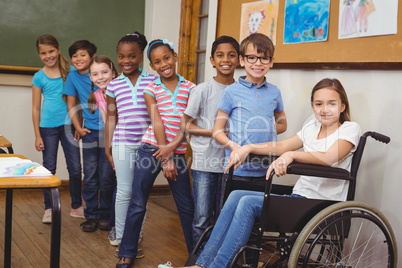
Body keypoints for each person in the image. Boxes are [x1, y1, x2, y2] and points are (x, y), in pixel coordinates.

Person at [158, 78, 362, 268]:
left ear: (342, 106)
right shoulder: (312, 127)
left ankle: (217, 266)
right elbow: (280, 145)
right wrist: (248, 148)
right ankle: (201, 264)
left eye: (331, 103)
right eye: (318, 104)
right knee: (237, 195)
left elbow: (329, 157)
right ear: (312, 106)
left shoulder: (350, 129)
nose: (324, 109)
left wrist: (292, 156)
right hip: (300, 199)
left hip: (322, 204)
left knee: (247, 203)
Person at [116, 39, 195, 268]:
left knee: (186, 206)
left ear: (176, 56)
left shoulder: (190, 88)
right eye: (157, 62)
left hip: (177, 152)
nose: (164, 65)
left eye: (167, 58)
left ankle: (196, 256)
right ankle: (127, 252)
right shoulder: (151, 89)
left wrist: (172, 151)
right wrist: (165, 156)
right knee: (137, 202)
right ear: (152, 66)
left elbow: (186, 124)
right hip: (150, 149)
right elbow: (157, 122)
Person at [212, 33, 287, 206]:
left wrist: (265, 130)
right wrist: (235, 147)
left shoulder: (274, 92)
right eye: (252, 58)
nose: (258, 63)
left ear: (271, 62)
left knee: (256, 220)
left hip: (265, 170)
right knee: (228, 216)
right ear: (242, 60)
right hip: (236, 169)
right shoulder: (231, 91)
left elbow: (282, 124)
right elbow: (217, 130)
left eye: (263, 58)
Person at [181, 35, 239, 247]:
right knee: (202, 219)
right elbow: (185, 124)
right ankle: (199, 259)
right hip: (205, 163)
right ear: (212, 60)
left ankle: (219, 259)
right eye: (220, 55)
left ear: (239, 59)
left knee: (225, 216)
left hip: (232, 164)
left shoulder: (241, 90)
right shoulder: (202, 90)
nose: (226, 59)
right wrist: (214, 132)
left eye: (232, 55)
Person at [105, 32, 157, 255]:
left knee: (140, 192)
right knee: (124, 190)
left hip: (147, 145)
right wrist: (108, 146)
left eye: (132, 56)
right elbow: (111, 117)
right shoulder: (114, 85)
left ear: (141, 57)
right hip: (122, 144)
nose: (126, 61)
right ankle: (120, 234)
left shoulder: (153, 81)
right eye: (121, 56)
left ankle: (134, 236)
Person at [63, 40, 116, 232]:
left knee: (107, 176)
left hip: (111, 134)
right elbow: (71, 104)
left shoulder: (105, 76)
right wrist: (79, 126)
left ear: (92, 56)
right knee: (91, 177)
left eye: (82, 55)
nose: (78, 59)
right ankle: (91, 215)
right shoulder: (73, 77)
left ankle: (106, 215)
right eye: (74, 56)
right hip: (91, 133)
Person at [32, 34, 83, 224]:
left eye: (51, 51)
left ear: (58, 49)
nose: (48, 56)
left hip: (69, 126)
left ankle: (77, 206)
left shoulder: (71, 71)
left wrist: (79, 123)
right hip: (47, 127)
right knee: (49, 168)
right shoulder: (39, 77)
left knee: (76, 168)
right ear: (39, 55)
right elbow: (36, 107)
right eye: (43, 53)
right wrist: (37, 135)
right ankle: (49, 208)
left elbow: (77, 99)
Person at [88, 55, 118, 243]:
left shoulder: (120, 89)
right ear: (90, 77)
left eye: (105, 72)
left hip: (129, 140)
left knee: (122, 184)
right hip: (114, 140)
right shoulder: (99, 95)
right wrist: (109, 150)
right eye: (95, 74)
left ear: (113, 73)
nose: (100, 77)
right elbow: (108, 122)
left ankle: (117, 222)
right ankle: (111, 219)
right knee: (107, 178)